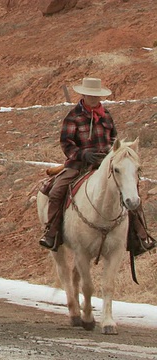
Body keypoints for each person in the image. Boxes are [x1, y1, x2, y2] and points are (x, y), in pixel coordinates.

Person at [39, 77, 156, 255]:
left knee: (131, 193)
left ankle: (140, 236)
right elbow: (66, 143)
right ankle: (52, 233)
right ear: (84, 95)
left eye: (96, 96)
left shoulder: (106, 115)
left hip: (105, 163)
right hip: (79, 164)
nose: (94, 99)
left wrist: (111, 154)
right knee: (56, 191)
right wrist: (83, 154)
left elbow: (113, 139)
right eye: (91, 95)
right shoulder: (73, 116)